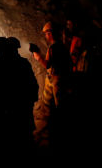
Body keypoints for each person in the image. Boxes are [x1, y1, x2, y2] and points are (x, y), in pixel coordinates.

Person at [30, 21, 72, 150]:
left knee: (56, 111)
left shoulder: (55, 47)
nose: (46, 36)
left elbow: (48, 65)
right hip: (59, 83)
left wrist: (37, 55)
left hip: (57, 84)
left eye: (47, 34)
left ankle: (53, 141)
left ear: (50, 33)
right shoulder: (61, 46)